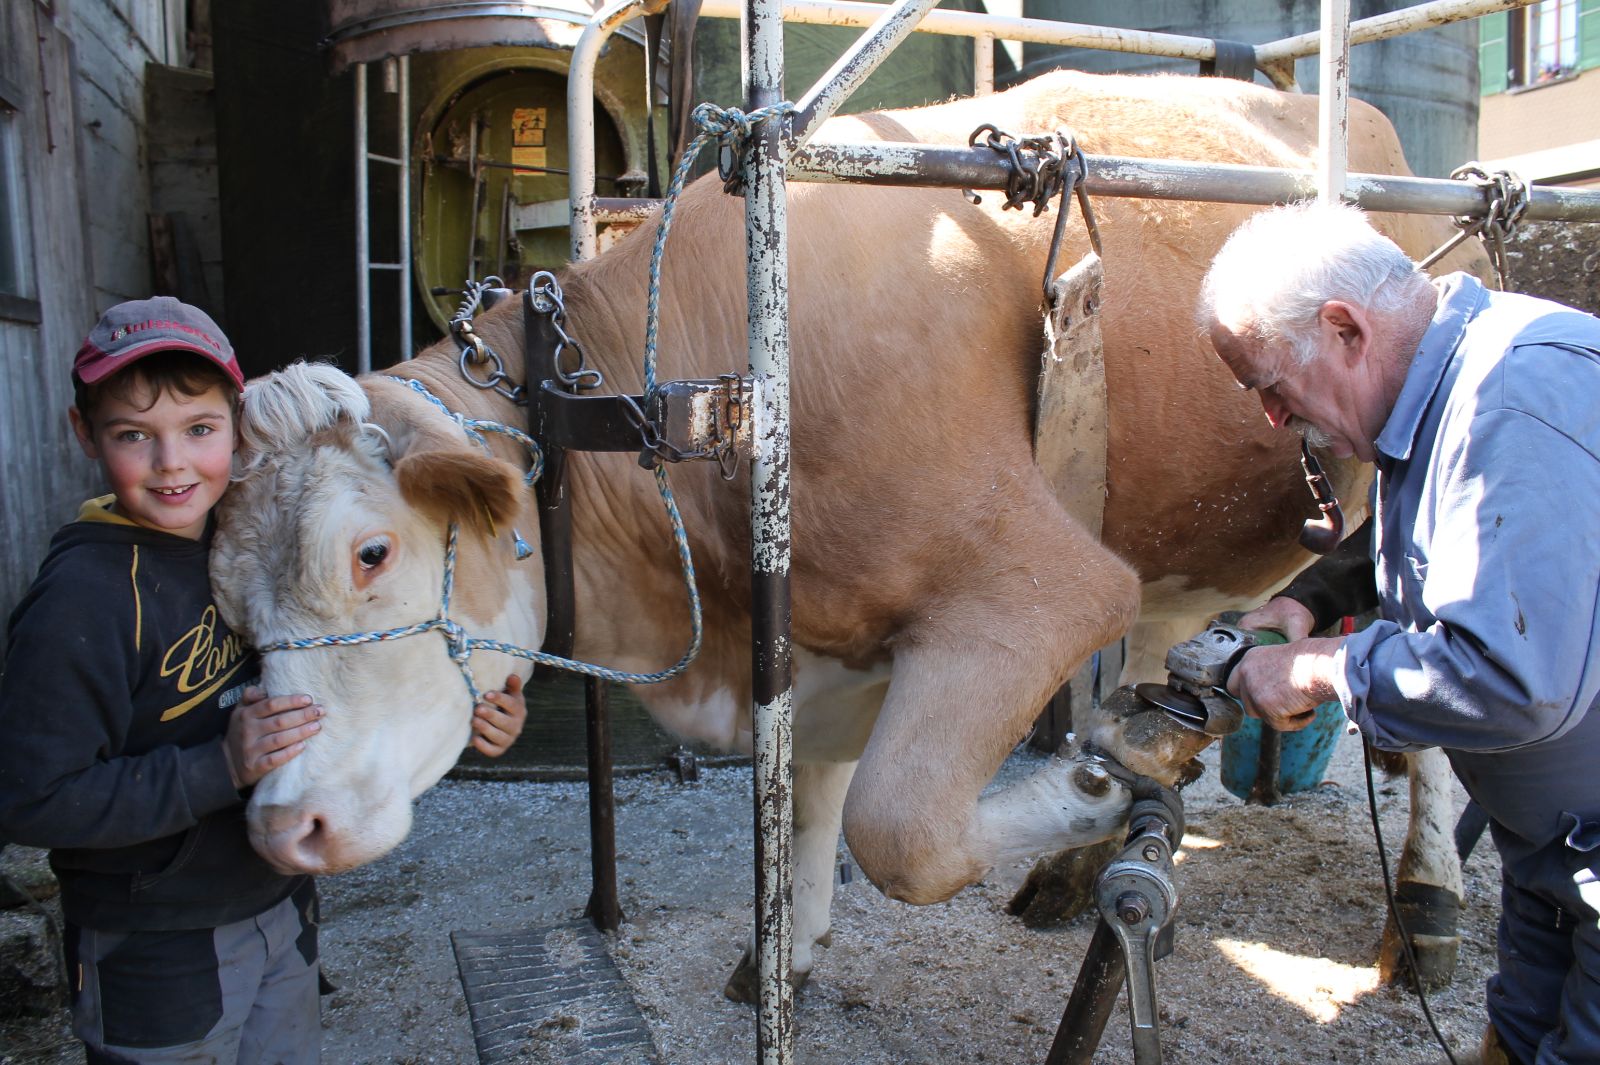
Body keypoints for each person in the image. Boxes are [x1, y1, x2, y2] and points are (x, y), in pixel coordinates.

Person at [0, 296, 528, 1064]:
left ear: (236, 428)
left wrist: (477, 704)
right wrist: (220, 767)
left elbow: (337, 682)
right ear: (85, 434)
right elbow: (29, 797)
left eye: (200, 431)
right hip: (154, 942)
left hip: (277, 907)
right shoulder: (82, 600)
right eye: (132, 436)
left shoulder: (246, 544)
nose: (172, 462)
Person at [1196, 202, 1600, 1065]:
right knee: (1524, 1036)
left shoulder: (1512, 397)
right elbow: (1452, 537)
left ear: (1344, 327)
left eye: (1271, 382)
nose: (1272, 415)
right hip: (1553, 847)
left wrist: (1315, 670)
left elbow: (1509, 678)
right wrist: (1314, 594)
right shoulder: (1453, 380)